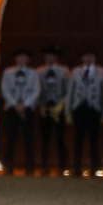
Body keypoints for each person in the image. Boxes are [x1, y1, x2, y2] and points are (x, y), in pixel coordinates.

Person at [67, 49, 103, 176]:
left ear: (95, 58)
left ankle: (94, 168)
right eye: (86, 56)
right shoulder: (76, 71)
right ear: (82, 58)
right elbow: (71, 91)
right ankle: (76, 168)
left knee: (94, 140)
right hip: (79, 107)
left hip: (94, 108)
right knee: (78, 139)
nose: (88, 59)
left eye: (91, 56)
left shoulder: (101, 72)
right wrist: (68, 110)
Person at [0, 48, 40, 177]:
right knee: (11, 137)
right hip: (12, 108)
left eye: (24, 57)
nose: (22, 59)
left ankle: (30, 167)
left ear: (27, 59)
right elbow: (4, 89)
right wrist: (15, 104)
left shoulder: (33, 73)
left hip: (28, 109)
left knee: (28, 138)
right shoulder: (8, 72)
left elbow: (36, 90)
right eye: (19, 57)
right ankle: (8, 167)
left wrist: (25, 104)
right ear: (16, 59)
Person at [37, 45, 70, 176]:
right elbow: (36, 90)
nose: (49, 57)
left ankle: (63, 166)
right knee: (45, 139)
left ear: (56, 57)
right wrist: (41, 106)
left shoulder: (64, 71)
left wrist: (61, 105)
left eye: (52, 55)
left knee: (60, 138)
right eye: (47, 55)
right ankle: (44, 166)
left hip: (59, 108)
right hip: (45, 108)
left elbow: (69, 90)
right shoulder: (39, 71)